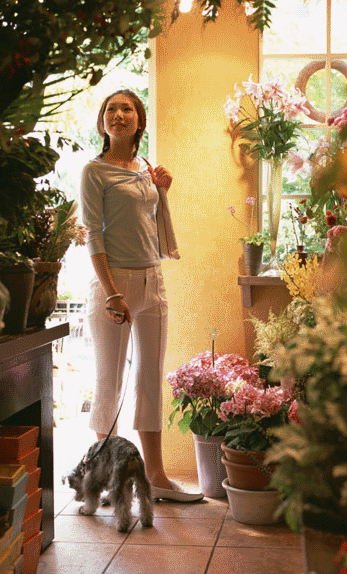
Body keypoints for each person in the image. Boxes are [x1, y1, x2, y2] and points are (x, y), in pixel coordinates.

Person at [80, 89, 203, 502]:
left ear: (139, 120)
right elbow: (93, 235)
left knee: (150, 380)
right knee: (109, 383)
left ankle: (157, 477)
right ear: (103, 122)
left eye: (127, 108)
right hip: (115, 285)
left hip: (154, 280)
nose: (119, 114)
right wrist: (111, 293)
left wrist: (162, 189)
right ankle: (104, 479)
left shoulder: (145, 170)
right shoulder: (94, 171)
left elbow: (147, 224)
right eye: (111, 109)